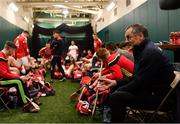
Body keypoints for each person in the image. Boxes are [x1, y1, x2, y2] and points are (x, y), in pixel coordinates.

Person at [99, 24, 176, 122]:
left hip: (162, 99)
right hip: (151, 91)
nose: (126, 41)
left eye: (128, 37)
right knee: (115, 89)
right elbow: (136, 77)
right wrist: (115, 83)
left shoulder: (149, 52)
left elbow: (139, 83)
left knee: (116, 96)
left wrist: (118, 89)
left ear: (140, 36)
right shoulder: (143, 50)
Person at [0, 41, 39, 112]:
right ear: (10, 49)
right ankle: (25, 105)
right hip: (1, 80)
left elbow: (7, 72)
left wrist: (20, 77)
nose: (14, 52)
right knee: (19, 81)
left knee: (22, 80)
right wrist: (19, 77)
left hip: (3, 78)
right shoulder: (1, 56)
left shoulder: (4, 56)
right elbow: (3, 74)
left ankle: (28, 100)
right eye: (14, 50)